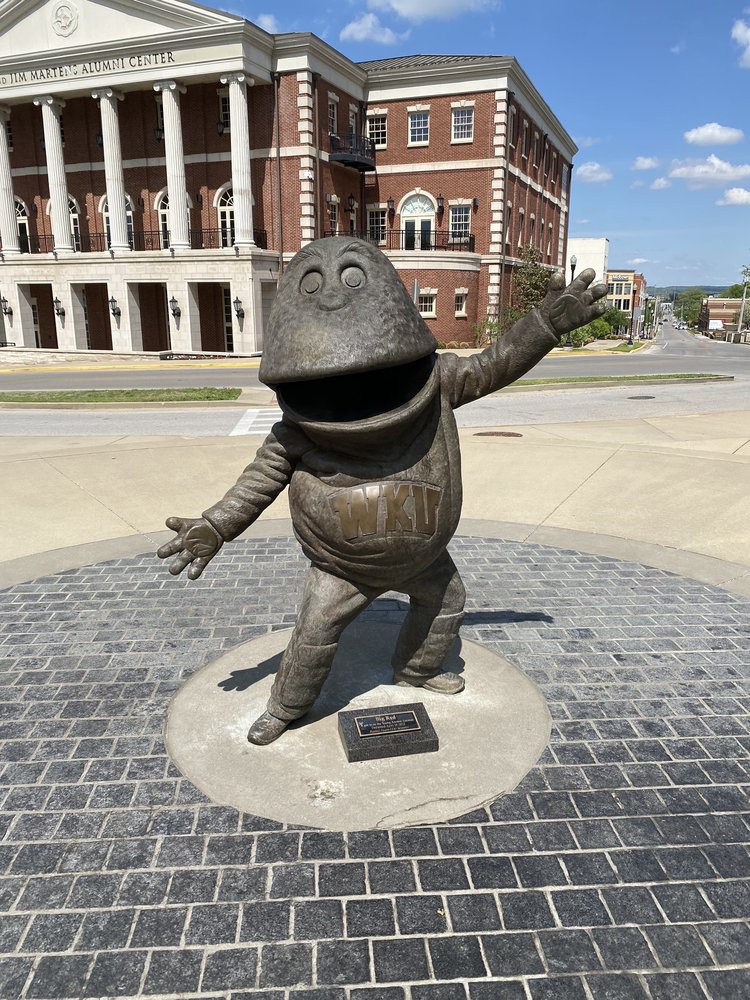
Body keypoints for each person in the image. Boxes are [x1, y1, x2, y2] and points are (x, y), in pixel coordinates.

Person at [158, 237, 607, 744]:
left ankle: (417, 669)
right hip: (342, 565)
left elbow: (493, 364)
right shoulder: (298, 429)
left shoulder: (437, 385)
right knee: (313, 632)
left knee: (446, 600)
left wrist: (543, 326)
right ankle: (285, 708)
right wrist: (217, 524)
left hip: (423, 557)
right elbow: (258, 481)